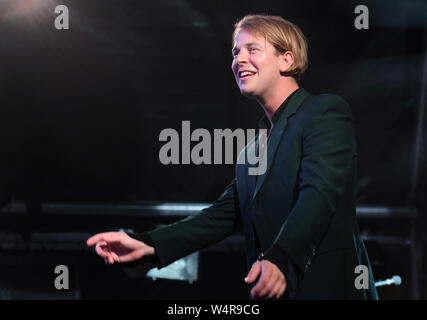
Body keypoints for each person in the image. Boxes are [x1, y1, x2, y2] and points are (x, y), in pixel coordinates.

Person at [87, 14, 378, 300]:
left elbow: (319, 193)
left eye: (253, 49)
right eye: (235, 52)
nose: (239, 59)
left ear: (286, 60)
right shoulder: (250, 151)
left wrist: (281, 257)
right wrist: (147, 244)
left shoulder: (324, 111)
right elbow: (219, 217)